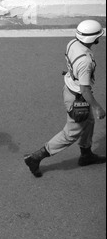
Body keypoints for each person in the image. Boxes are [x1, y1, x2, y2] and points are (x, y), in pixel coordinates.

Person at [24, 20, 106, 177]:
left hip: (70, 88)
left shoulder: (73, 43)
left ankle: (86, 154)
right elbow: (85, 89)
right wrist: (97, 107)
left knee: (88, 122)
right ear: (93, 39)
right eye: (98, 36)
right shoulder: (85, 61)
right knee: (71, 133)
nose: (100, 38)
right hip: (78, 97)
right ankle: (35, 157)